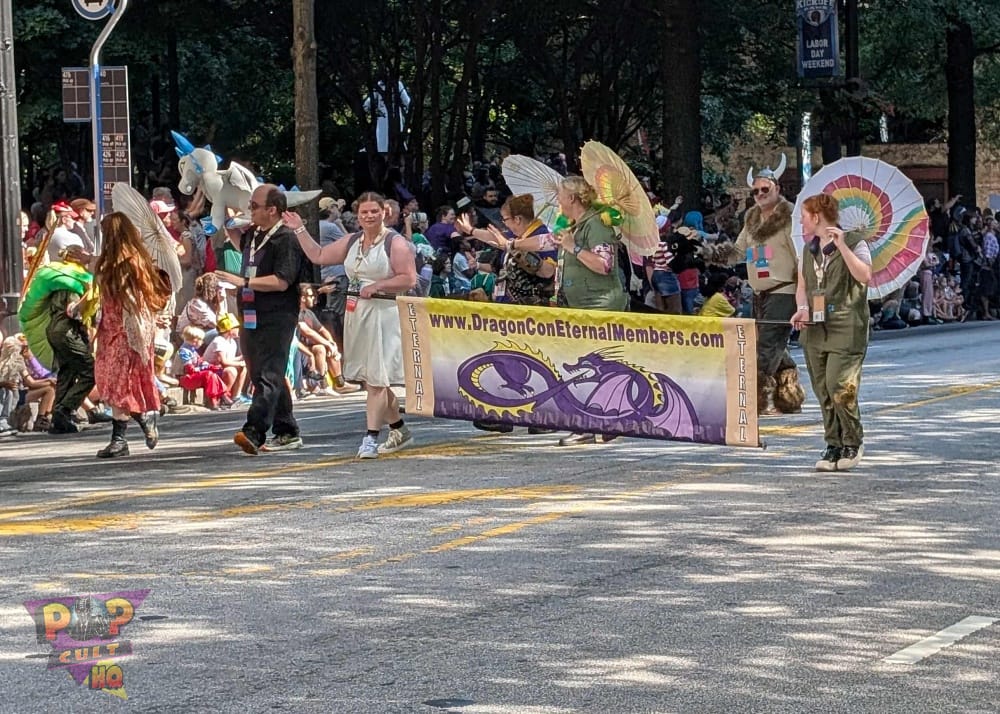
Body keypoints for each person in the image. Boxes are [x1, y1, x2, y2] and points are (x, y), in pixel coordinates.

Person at [286, 192, 418, 458]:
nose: (369, 216)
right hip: (358, 314)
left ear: (384, 213)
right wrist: (299, 228)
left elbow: (409, 278)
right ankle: (399, 429)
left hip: (385, 314)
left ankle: (370, 438)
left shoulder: (395, 243)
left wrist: (379, 285)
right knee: (373, 379)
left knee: (376, 381)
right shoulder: (352, 241)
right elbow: (318, 255)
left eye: (374, 211)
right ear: (357, 216)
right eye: (364, 212)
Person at [702, 156, 805, 416]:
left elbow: (802, 256)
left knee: (765, 347)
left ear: (777, 189)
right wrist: (710, 252)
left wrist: (805, 296)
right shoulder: (751, 220)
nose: (760, 194)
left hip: (784, 291)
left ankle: (751, 401)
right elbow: (738, 251)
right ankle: (788, 396)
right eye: (755, 191)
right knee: (773, 346)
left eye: (764, 189)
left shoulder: (790, 218)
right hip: (759, 293)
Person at [215, 184, 309, 455]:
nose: (250, 210)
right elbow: (233, 233)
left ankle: (253, 431)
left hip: (277, 313)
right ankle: (287, 429)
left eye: (255, 206)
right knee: (261, 373)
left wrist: (243, 281)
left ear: (272, 210)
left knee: (269, 373)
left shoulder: (286, 238)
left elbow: (282, 281)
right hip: (250, 312)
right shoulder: (254, 233)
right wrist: (223, 203)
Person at [791, 193, 872, 473]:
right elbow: (802, 286)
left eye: (804, 216)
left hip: (846, 326)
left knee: (840, 386)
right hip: (815, 328)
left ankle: (853, 441)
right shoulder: (808, 249)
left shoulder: (855, 242)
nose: (801, 221)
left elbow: (864, 275)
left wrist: (842, 247)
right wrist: (802, 309)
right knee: (823, 390)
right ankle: (833, 443)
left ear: (816, 217)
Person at [553, 175, 628, 446]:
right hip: (579, 307)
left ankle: (593, 423)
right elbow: (545, 243)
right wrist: (510, 244)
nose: (558, 201)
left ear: (572, 198)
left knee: (592, 368)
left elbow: (604, 265)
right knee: (589, 367)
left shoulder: (596, 224)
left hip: (599, 306)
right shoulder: (574, 226)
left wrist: (573, 247)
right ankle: (602, 422)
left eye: (560, 195)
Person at [91, 213, 172, 458]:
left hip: (128, 330)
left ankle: (119, 440)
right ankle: (143, 419)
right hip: (108, 329)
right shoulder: (109, 262)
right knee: (108, 381)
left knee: (120, 382)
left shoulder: (132, 262)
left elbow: (135, 298)